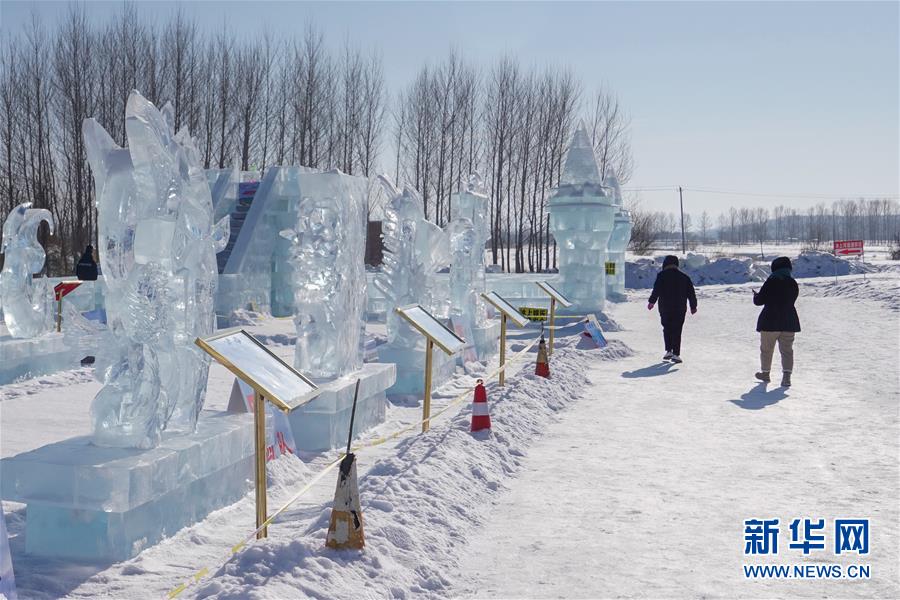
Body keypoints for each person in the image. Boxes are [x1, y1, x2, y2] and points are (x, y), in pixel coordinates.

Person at [753, 256, 800, 387]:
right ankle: (786, 377)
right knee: (787, 351)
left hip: (770, 322)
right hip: (789, 321)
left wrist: (756, 296)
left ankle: (766, 373)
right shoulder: (792, 283)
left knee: (767, 349)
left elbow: (759, 301)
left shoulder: (771, 281)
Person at [647, 255, 697, 363]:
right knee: (677, 329)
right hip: (679, 308)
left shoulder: (661, 276)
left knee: (667, 328)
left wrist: (652, 302)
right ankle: (676, 354)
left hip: (665, 307)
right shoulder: (684, 277)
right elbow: (691, 293)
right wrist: (693, 306)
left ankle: (668, 350)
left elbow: (656, 290)